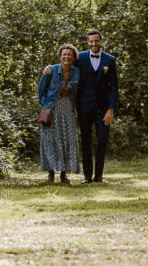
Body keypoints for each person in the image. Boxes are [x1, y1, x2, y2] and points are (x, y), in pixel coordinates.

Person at [49, 30, 118, 182]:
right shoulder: (80, 57)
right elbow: (65, 65)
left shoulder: (110, 60)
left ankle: (99, 175)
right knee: (86, 140)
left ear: (101, 40)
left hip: (103, 109)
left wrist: (111, 109)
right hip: (84, 106)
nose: (93, 44)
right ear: (88, 42)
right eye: (91, 41)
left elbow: (114, 87)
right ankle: (87, 176)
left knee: (102, 139)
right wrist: (49, 69)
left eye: (96, 41)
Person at [38, 44, 82, 184]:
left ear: (74, 57)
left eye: (69, 54)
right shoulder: (51, 70)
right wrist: (46, 104)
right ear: (60, 56)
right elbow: (41, 88)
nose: (66, 57)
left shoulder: (77, 72)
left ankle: (64, 174)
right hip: (52, 109)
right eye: (64, 54)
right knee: (50, 139)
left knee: (66, 140)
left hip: (68, 109)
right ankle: (51, 173)